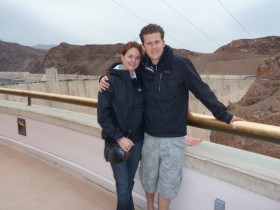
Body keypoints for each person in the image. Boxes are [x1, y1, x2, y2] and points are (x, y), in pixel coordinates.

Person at [99, 24, 243, 210]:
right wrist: (105, 76)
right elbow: (125, 67)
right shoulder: (143, 65)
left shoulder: (180, 64)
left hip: (173, 139)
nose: (154, 47)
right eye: (149, 43)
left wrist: (226, 116)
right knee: (149, 179)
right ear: (144, 46)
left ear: (163, 41)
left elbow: (201, 90)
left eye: (157, 41)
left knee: (167, 185)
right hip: (149, 136)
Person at [97, 41, 145, 210]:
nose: (133, 61)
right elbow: (103, 116)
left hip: (137, 142)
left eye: (137, 58)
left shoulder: (141, 81)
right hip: (117, 143)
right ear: (122, 57)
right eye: (130, 56)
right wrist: (119, 138)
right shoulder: (109, 81)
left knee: (128, 183)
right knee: (123, 186)